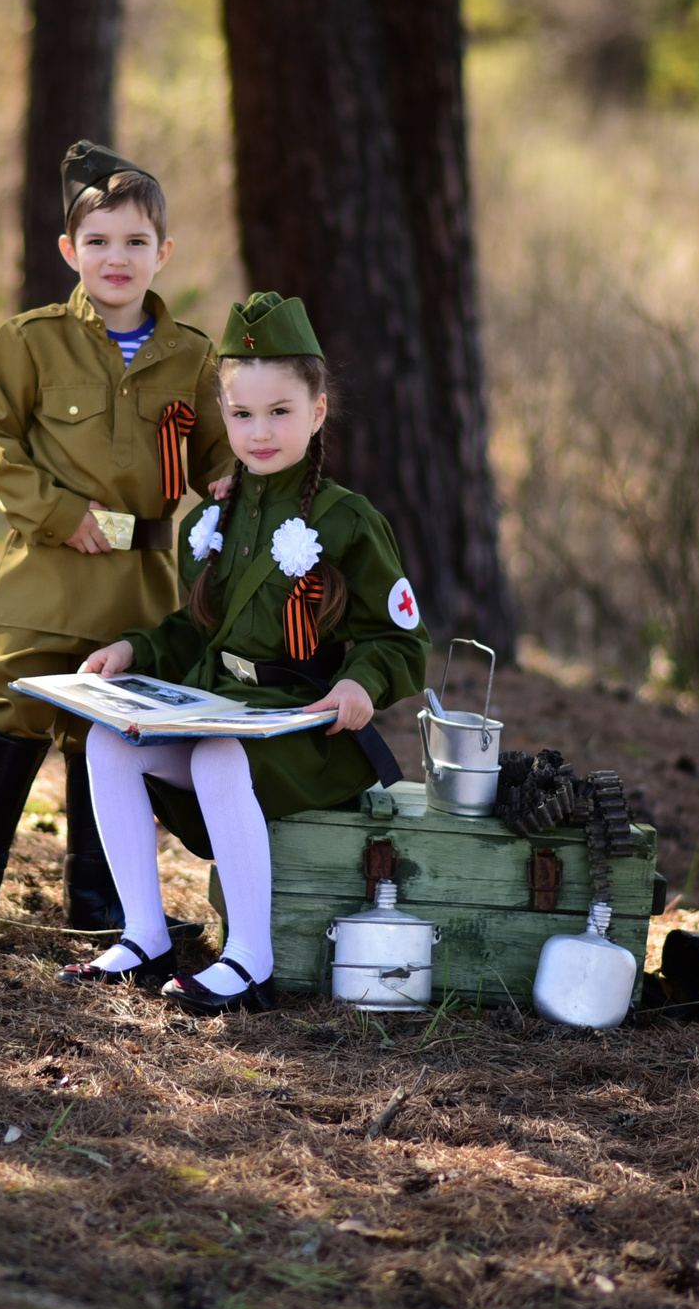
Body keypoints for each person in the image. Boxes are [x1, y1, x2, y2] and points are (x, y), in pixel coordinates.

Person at [58, 292, 430, 1013]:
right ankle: (143, 935)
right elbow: (195, 632)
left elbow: (400, 640)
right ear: (223, 415)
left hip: (307, 729)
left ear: (317, 410)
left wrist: (359, 685)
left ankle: (249, 958)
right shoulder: (214, 518)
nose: (260, 432)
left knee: (216, 754)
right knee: (109, 741)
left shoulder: (348, 520)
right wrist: (133, 649)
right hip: (223, 707)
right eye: (242, 413)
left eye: (280, 411)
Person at [0, 143, 234, 948]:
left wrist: (232, 485)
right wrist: (57, 514)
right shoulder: (31, 341)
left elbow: (213, 458)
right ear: (69, 251)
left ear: (163, 252)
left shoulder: (193, 357)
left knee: (120, 729)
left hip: (139, 585)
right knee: (9, 706)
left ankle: (104, 902)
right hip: (48, 572)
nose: (116, 258)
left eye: (135, 242)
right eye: (97, 242)